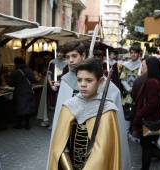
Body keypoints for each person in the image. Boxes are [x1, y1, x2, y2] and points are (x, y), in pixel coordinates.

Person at [47, 40, 131, 170]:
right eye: (67, 57)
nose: (83, 84)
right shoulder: (65, 83)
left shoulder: (105, 100)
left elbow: (103, 148)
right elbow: (60, 140)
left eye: (74, 56)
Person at [132, 57, 160, 170]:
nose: (141, 68)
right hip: (153, 119)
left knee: (146, 147)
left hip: (148, 120)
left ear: (150, 68)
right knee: (146, 145)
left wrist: (139, 114)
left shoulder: (152, 82)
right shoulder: (157, 81)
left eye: (143, 66)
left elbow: (153, 102)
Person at [37, 47, 68, 128]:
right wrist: (51, 85)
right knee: (52, 106)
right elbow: (49, 75)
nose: (60, 54)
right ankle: (53, 123)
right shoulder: (52, 62)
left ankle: (61, 124)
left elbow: (68, 76)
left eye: (61, 52)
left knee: (62, 106)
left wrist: (61, 83)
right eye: (58, 52)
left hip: (63, 88)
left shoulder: (67, 63)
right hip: (53, 88)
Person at [8, 57, 37, 130]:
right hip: (28, 91)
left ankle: (19, 124)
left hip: (19, 92)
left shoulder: (15, 72)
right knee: (28, 107)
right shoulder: (29, 70)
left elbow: (11, 84)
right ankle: (27, 124)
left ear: (16, 63)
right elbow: (33, 80)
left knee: (19, 108)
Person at [119, 45, 141, 137]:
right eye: (131, 52)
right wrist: (129, 89)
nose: (133, 54)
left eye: (135, 53)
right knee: (127, 114)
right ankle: (126, 134)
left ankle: (136, 134)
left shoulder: (142, 65)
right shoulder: (125, 65)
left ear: (139, 54)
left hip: (139, 94)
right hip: (128, 95)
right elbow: (122, 78)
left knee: (138, 113)